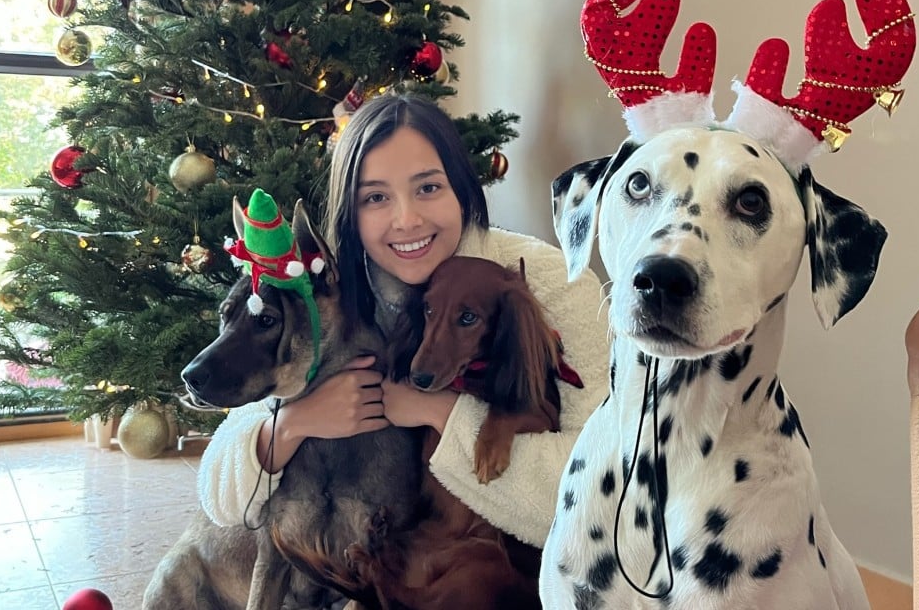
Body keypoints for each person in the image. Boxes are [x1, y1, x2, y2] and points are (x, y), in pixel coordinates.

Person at [196, 92, 610, 550]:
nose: (406, 219)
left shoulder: (555, 282)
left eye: (428, 187)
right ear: (350, 215)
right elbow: (222, 498)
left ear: (462, 190)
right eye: (375, 197)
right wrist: (293, 422)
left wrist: (437, 411)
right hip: (384, 563)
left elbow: (604, 493)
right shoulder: (324, 297)